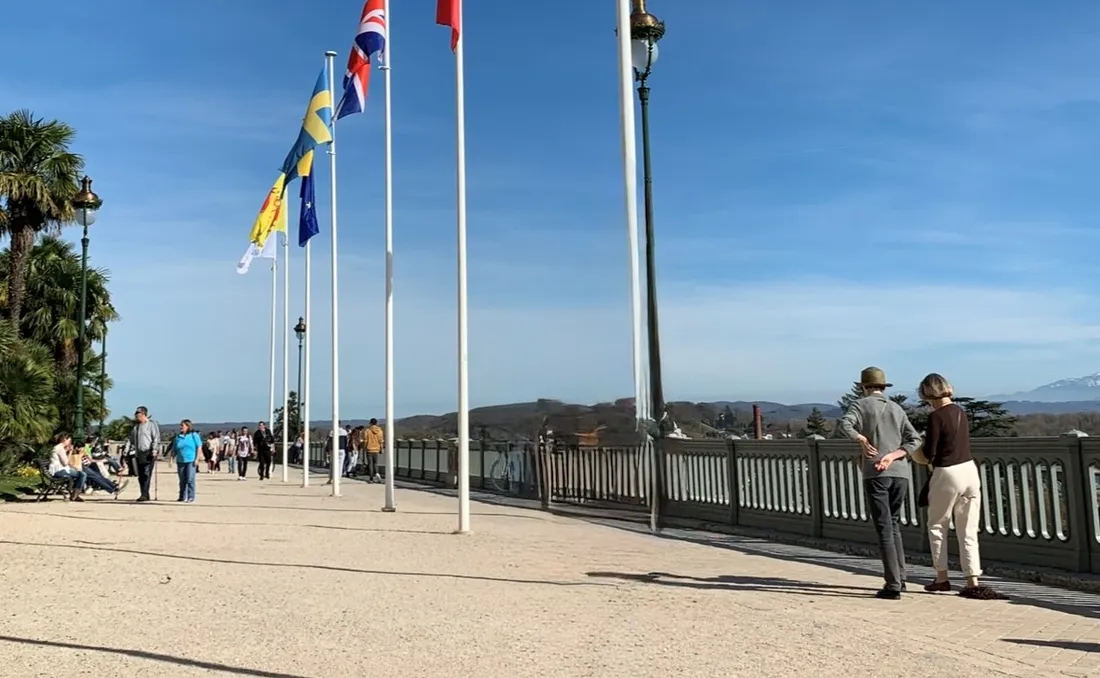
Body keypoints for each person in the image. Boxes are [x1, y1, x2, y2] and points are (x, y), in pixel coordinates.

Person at [840, 367, 921, 600]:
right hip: (900, 473)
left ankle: (892, 585)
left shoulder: (859, 405)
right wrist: (894, 455)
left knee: (884, 528)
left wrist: (861, 439)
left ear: (864, 387)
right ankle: (901, 577)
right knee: (894, 525)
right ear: (883, 388)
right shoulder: (896, 408)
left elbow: (846, 425)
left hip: (875, 473)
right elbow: (915, 439)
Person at [916, 373, 999, 599]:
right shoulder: (960, 412)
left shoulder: (936, 417)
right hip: (970, 471)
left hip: (947, 472)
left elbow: (929, 454)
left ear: (927, 393)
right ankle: (973, 579)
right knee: (968, 529)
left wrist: (914, 452)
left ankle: (941, 578)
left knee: (937, 525)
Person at [129, 406, 161, 502]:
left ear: (143, 414)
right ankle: (144, 493)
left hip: (149, 452)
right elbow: (131, 439)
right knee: (141, 475)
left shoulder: (152, 424)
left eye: (138, 414)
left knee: (147, 473)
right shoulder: (136, 427)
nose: (136, 417)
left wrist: (155, 449)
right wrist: (127, 450)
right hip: (139, 453)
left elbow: (156, 437)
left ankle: (144, 494)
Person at [47, 433, 87, 502]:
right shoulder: (60, 448)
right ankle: (75, 495)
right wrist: (70, 451)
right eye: (69, 441)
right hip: (59, 472)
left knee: (80, 473)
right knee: (82, 474)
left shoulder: (58, 448)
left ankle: (75, 494)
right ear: (64, 439)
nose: (69, 443)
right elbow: (65, 463)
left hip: (57, 470)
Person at [170, 420, 202, 503]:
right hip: (180, 460)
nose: (181, 427)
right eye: (180, 425)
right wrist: (171, 459)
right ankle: (182, 496)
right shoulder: (178, 437)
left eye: (182, 425)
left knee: (190, 478)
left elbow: (199, 447)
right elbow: (174, 449)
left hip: (191, 460)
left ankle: (191, 496)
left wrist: (197, 459)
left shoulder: (194, 435)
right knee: (182, 479)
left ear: (188, 426)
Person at [364, 418, 383, 483]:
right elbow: (381, 440)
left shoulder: (367, 431)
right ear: (376, 423)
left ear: (370, 423)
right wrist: (381, 448)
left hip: (369, 449)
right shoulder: (380, 431)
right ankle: (377, 474)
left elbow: (365, 440)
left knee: (370, 464)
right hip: (376, 449)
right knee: (375, 463)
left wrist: (365, 447)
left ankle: (371, 478)